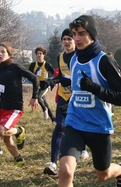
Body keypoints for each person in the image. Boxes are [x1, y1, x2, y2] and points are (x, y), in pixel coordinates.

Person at [58, 15, 121, 187]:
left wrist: (95, 88)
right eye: (74, 33)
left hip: (98, 126)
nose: (76, 38)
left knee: (102, 175)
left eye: (82, 33)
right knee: (66, 171)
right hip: (75, 122)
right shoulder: (73, 58)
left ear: (92, 34)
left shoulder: (104, 61)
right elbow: (76, 87)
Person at [0, 43, 39, 165]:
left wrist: (34, 97)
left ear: (9, 54)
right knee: (6, 138)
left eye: (3, 52)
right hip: (2, 107)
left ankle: (20, 131)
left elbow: (34, 78)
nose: (0, 54)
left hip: (15, 107)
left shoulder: (15, 67)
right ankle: (18, 159)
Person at [43, 28, 75, 176]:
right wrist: (52, 81)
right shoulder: (60, 57)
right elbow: (62, 76)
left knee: (78, 126)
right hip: (63, 94)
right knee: (60, 125)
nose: (67, 42)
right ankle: (53, 162)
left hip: (78, 96)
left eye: (69, 39)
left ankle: (82, 149)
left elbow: (75, 78)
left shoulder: (80, 56)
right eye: (64, 39)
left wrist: (58, 80)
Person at [29, 46, 55, 122]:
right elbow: (29, 74)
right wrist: (34, 73)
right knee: (45, 102)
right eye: (37, 53)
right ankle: (53, 119)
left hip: (45, 85)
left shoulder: (47, 64)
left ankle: (44, 109)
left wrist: (50, 81)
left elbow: (54, 73)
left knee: (38, 97)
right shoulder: (33, 65)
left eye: (41, 53)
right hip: (36, 85)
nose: (39, 55)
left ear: (44, 55)